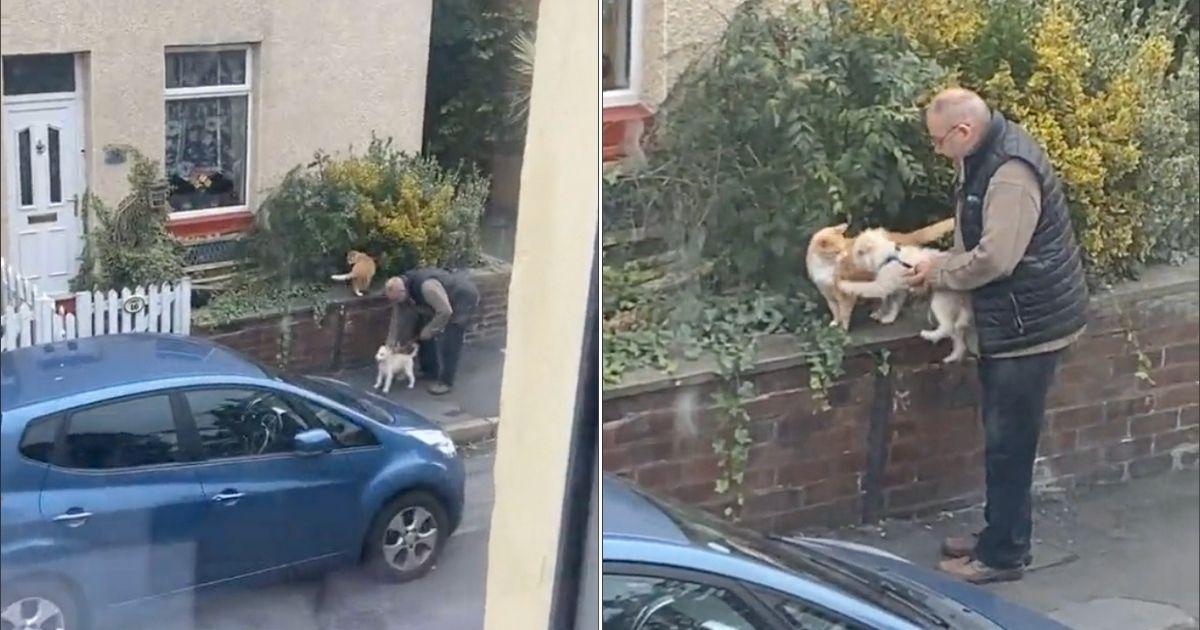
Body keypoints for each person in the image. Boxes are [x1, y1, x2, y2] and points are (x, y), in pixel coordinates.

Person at [906, 88, 1089, 583]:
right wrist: (945, 262)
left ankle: (1003, 554)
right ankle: (997, 533)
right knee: (1004, 440)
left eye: (939, 141)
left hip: (1029, 328)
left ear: (963, 132)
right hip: (1015, 320)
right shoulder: (986, 153)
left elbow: (996, 258)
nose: (938, 150)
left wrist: (941, 272)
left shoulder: (1009, 172)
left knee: (1010, 444)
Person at [384, 269, 481, 395]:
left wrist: (429, 330)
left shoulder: (427, 288)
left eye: (397, 299)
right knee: (422, 329)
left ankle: (446, 382)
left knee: (451, 338)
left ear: (403, 291)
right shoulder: (402, 290)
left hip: (462, 297)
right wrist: (390, 343)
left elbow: (445, 311)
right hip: (441, 301)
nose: (397, 303)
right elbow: (398, 319)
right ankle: (430, 371)